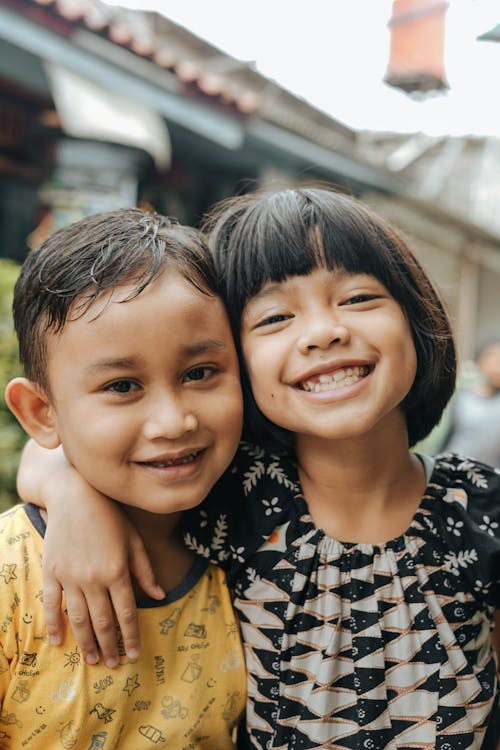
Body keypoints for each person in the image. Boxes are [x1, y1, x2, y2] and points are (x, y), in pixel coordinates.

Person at [19, 188, 500, 749]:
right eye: (275, 316)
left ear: (416, 316)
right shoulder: (236, 494)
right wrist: (71, 494)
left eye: (359, 297)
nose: (323, 332)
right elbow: (63, 440)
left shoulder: (480, 505)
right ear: (234, 363)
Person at [3, 208, 246, 748]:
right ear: (43, 413)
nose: (173, 422)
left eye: (199, 373)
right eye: (121, 386)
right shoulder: (10, 579)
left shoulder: (257, 556)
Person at [439, 339, 500, 467]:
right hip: (454, 469)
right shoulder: (463, 398)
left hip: (489, 477)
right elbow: (449, 435)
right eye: (493, 358)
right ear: (480, 362)